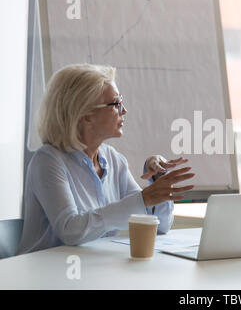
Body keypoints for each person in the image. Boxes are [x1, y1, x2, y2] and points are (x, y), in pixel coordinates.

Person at [17, 64, 195, 255]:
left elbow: (159, 225)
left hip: (93, 273)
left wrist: (158, 182)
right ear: (85, 114)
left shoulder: (113, 159)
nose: (124, 110)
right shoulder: (48, 161)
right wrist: (143, 199)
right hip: (44, 277)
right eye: (116, 104)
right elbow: (70, 231)